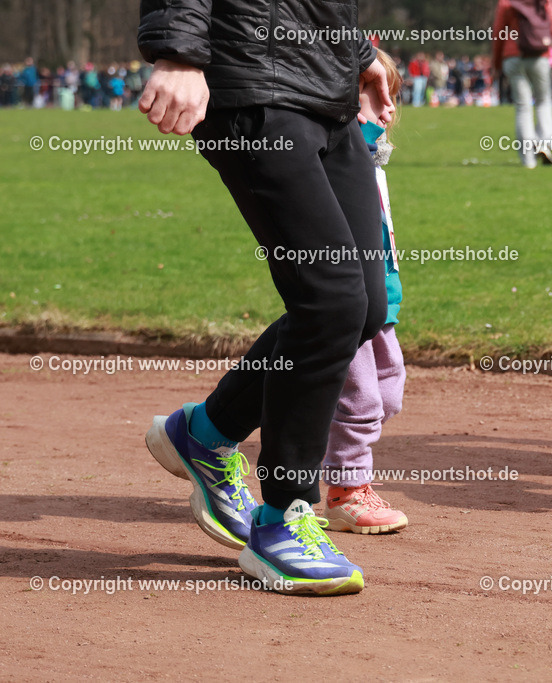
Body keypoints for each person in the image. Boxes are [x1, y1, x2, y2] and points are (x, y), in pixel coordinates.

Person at [138, 0, 394, 595]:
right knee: (329, 302)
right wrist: (178, 51)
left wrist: (356, 55)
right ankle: (282, 521)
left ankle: (204, 433)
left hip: (326, 91)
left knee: (365, 309)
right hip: (253, 84)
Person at [321, 49, 409, 535]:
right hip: (348, 296)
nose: (388, 108)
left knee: (388, 392)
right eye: (374, 94)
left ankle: (297, 414)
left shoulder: (374, 160)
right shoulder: (341, 152)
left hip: (382, 296)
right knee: (360, 401)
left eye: (392, 96)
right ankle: (346, 491)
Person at [492, 0, 552, 167]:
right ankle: (544, 144)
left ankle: (528, 160)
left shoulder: (506, 2)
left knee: (523, 107)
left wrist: (496, 63)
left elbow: (499, 33)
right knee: (543, 101)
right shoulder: (545, 2)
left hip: (513, 56)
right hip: (539, 54)